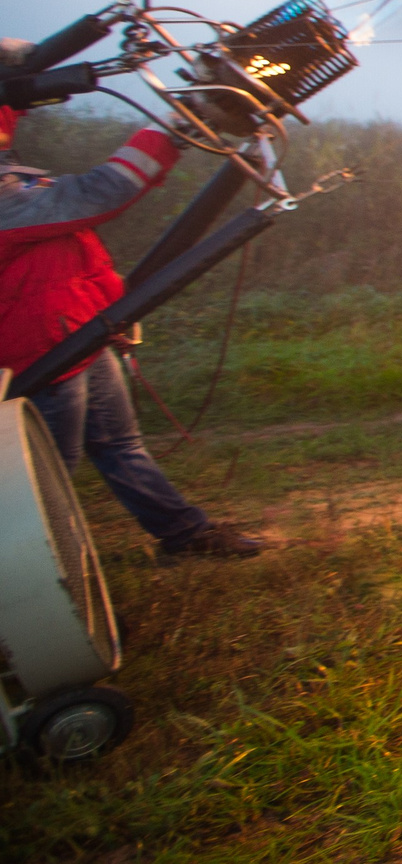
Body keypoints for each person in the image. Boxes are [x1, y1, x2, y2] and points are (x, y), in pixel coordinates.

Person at [0, 74, 265, 560]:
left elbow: (76, 256)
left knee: (121, 444)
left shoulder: (14, 175)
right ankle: (38, 585)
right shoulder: (5, 198)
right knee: (45, 474)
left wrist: (113, 308)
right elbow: (99, 196)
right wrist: (179, 123)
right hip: (40, 351)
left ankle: (184, 536)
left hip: (78, 333)